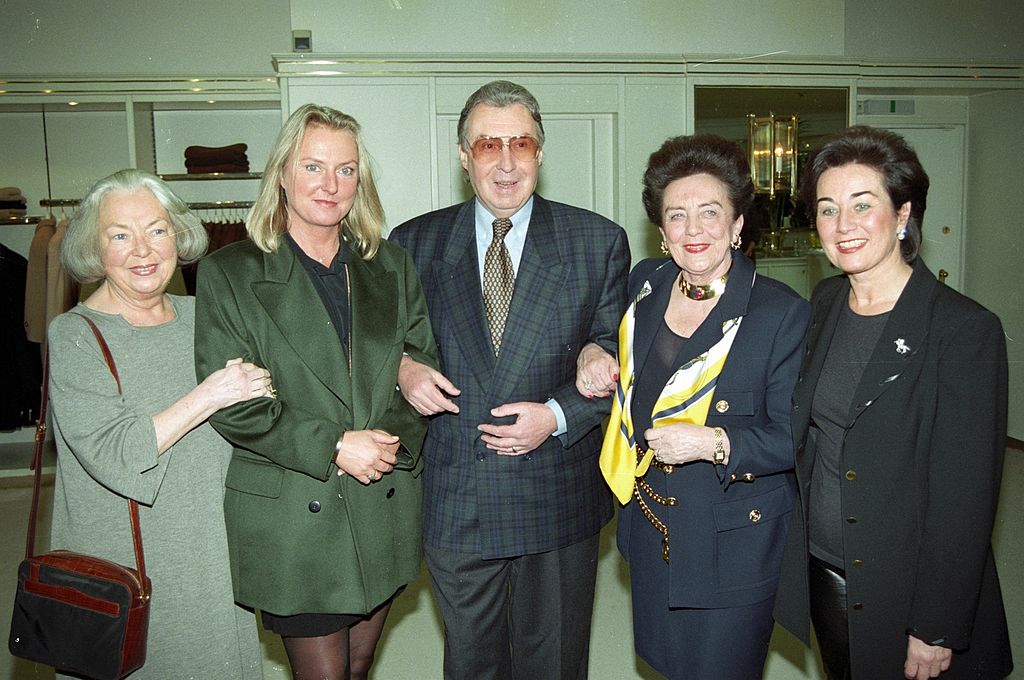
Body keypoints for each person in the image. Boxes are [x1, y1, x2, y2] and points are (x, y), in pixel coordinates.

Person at [389, 80, 630, 680]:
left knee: (553, 663)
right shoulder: (412, 243)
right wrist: (402, 366)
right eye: (487, 144)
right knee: (471, 663)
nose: (504, 162)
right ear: (463, 155)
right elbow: (380, 344)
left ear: (540, 153)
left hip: (556, 492)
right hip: (456, 494)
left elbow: (618, 365)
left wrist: (558, 414)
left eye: (519, 144)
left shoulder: (596, 242)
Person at [194, 104, 438, 680]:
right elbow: (237, 404)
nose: (330, 185)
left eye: (346, 170)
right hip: (296, 511)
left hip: (383, 499)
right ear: (281, 173)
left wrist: (386, 446)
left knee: (357, 665)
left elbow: (421, 363)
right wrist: (335, 445)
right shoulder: (230, 272)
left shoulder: (392, 266)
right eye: (313, 167)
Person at [773, 125, 1013, 680]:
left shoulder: (963, 329)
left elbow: (965, 497)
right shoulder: (827, 300)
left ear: (903, 214)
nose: (843, 226)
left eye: (863, 205)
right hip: (827, 572)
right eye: (828, 209)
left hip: (906, 588)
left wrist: (935, 626)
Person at [584, 134, 810, 680]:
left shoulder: (780, 313)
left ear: (737, 225)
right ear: (661, 232)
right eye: (677, 216)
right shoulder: (647, 284)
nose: (693, 230)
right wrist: (597, 349)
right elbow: (635, 360)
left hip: (731, 539)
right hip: (653, 525)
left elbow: (794, 436)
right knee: (666, 664)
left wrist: (715, 442)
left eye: (710, 213)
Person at [46, 169, 268, 679]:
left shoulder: (204, 315)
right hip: (130, 562)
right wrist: (210, 394)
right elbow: (120, 454)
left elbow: (253, 416)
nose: (142, 250)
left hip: (212, 547)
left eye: (157, 230)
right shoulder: (76, 335)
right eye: (120, 235)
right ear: (93, 248)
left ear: (178, 236)